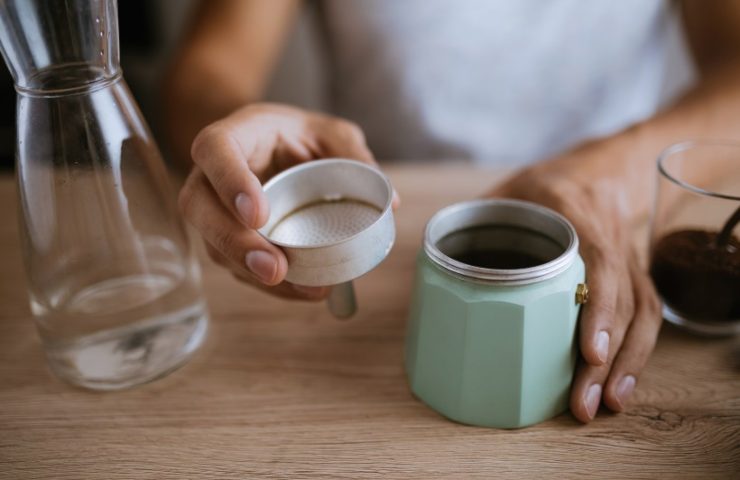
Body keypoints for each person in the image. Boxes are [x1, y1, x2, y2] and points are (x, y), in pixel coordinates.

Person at [163, 0, 740, 423]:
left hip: (612, 211)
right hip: (389, 213)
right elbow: (201, 74)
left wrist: (597, 181)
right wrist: (242, 151)